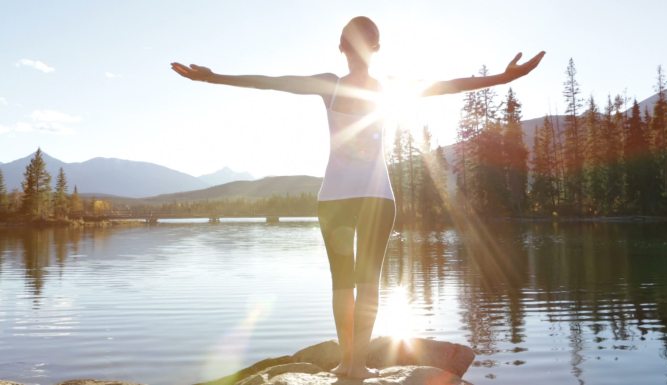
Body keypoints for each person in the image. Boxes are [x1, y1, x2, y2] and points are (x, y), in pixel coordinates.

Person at [172, 16, 544, 379]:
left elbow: (271, 82)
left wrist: (213, 77)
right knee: (360, 284)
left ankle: (351, 362)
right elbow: (273, 83)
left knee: (348, 284)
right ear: (373, 48)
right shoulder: (356, 87)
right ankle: (354, 363)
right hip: (361, 199)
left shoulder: (349, 86)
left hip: (355, 198)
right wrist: (505, 77)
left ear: (345, 47)